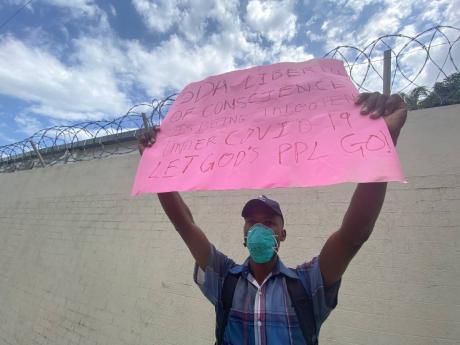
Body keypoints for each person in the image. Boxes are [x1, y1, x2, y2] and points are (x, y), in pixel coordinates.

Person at [137, 92, 407, 345]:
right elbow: (185, 224)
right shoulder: (224, 277)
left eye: (269, 223)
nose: (258, 228)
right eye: (252, 222)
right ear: (243, 233)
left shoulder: (307, 284)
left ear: (283, 234)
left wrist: (384, 144)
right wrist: (156, 167)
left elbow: (353, 236)